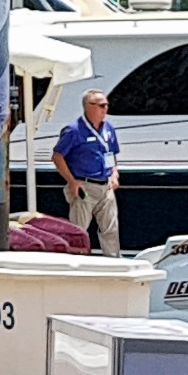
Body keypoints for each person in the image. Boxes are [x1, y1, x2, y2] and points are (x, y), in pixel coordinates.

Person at [54, 89, 119, 256]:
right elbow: (57, 156)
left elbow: (110, 153)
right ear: (89, 107)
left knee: (111, 228)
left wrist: (114, 173)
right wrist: (72, 181)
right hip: (85, 186)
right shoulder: (74, 130)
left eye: (106, 105)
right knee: (79, 230)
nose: (105, 109)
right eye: (101, 105)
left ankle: (114, 261)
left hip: (105, 186)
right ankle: (77, 261)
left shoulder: (108, 128)